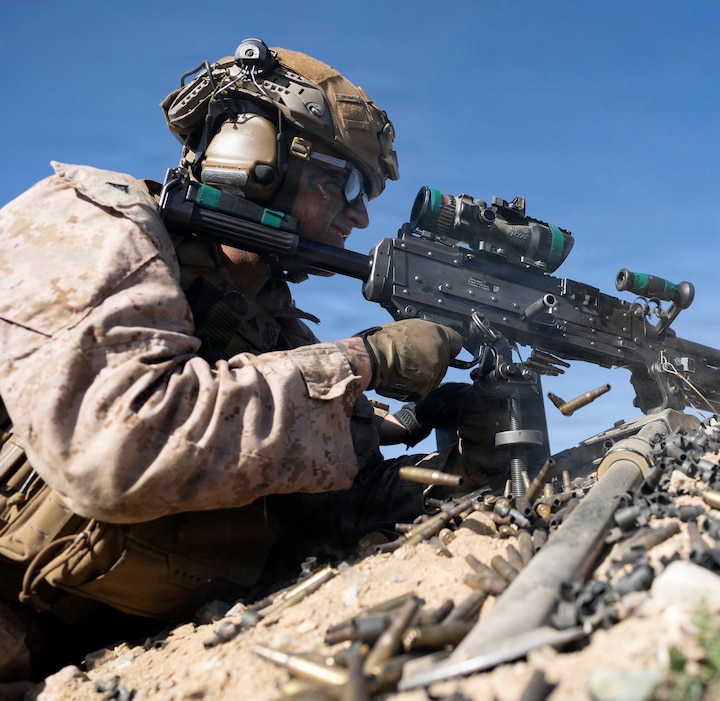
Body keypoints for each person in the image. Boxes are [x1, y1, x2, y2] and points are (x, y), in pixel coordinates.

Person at [0, 38, 482, 685]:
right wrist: (363, 359)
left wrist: (468, 461)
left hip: (84, 641)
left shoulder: (267, 317)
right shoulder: (89, 224)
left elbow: (332, 505)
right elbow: (111, 451)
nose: (362, 213)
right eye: (347, 181)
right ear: (253, 154)